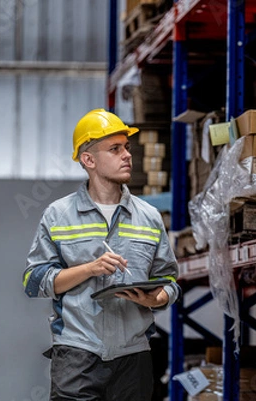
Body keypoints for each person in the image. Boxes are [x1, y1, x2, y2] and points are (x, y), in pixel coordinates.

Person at [23, 109, 181, 401]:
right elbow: (34, 281)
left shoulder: (149, 217)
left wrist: (157, 298)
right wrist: (89, 269)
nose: (127, 156)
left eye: (127, 148)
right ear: (89, 160)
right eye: (115, 149)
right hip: (77, 355)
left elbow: (170, 279)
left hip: (134, 357)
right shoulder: (59, 215)